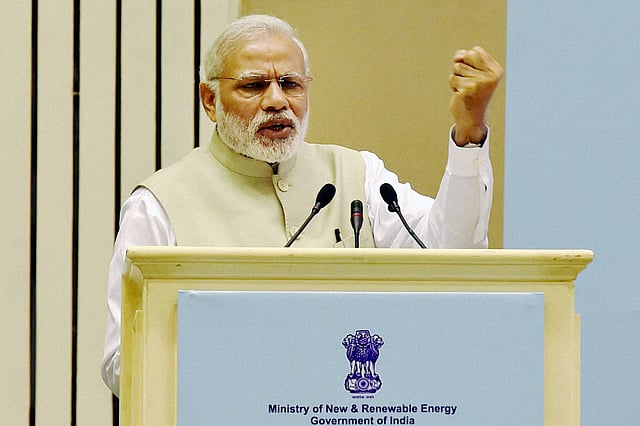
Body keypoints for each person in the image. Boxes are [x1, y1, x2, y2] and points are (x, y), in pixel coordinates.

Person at [101, 14, 503, 396]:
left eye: (290, 84)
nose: (277, 100)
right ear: (210, 99)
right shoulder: (159, 204)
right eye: (254, 85)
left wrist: (470, 128)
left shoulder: (358, 174)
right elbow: (123, 365)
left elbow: (454, 254)